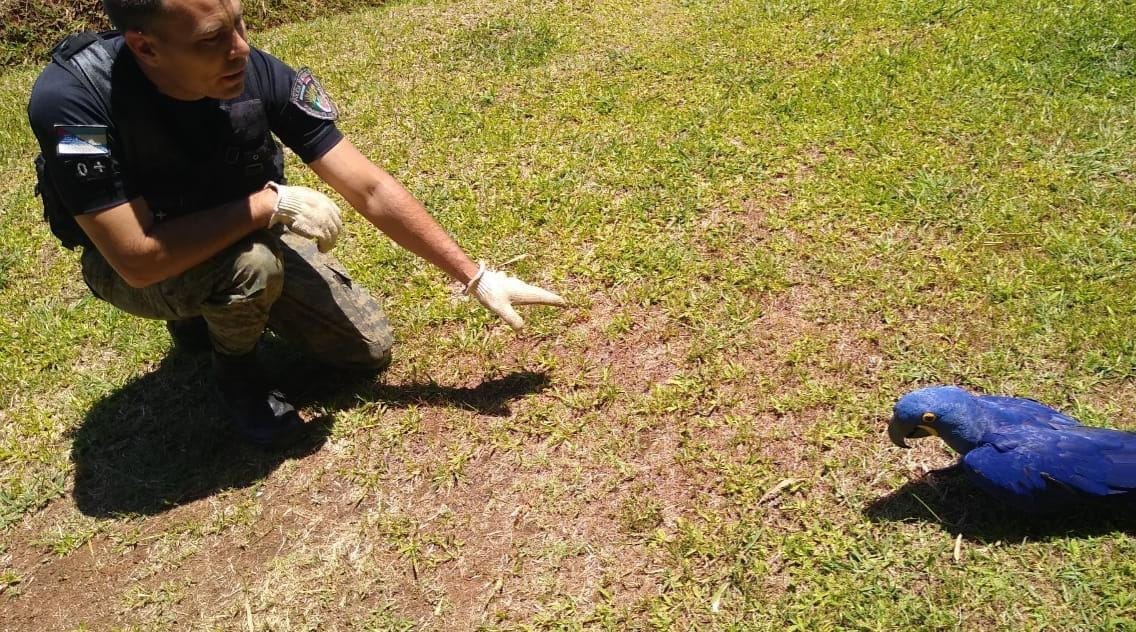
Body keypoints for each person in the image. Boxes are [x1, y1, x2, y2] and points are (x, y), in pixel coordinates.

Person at [27, 0, 566, 447]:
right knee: (254, 268)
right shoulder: (74, 101)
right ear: (145, 46)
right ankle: (237, 375)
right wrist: (268, 205)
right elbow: (135, 258)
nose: (240, 48)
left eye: (239, 22)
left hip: (232, 226)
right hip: (132, 262)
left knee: (367, 351)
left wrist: (475, 276)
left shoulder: (253, 71)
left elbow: (369, 187)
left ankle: (204, 315)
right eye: (212, 38)